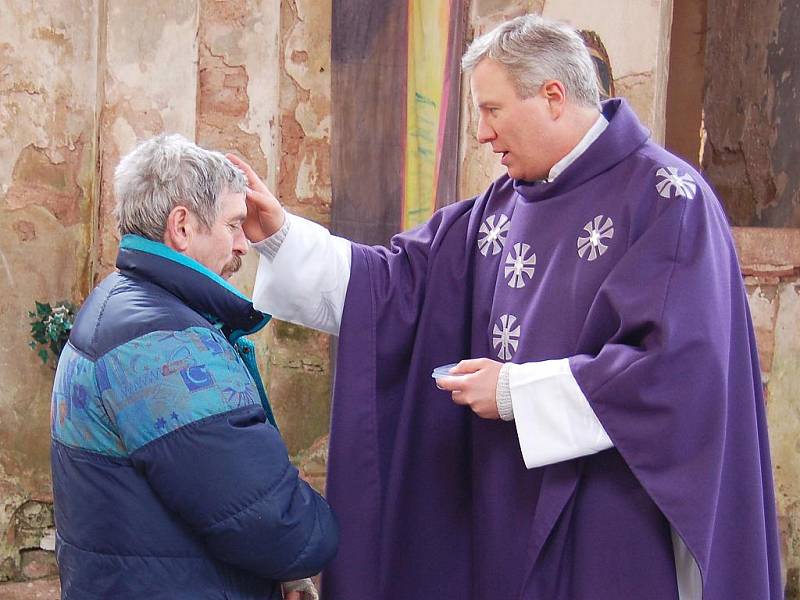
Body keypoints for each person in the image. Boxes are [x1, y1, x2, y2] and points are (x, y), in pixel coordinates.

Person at [231, 14, 782, 600]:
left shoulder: (668, 200)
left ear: (552, 96)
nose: (483, 133)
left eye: (492, 110)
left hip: (611, 513)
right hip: (504, 503)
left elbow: (678, 372)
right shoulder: (501, 206)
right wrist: (282, 236)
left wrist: (519, 391)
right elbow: (395, 285)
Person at [50, 134, 338, 600]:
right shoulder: (163, 343)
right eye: (233, 225)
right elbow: (275, 524)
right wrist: (322, 533)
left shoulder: (121, 305)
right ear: (182, 226)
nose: (244, 244)